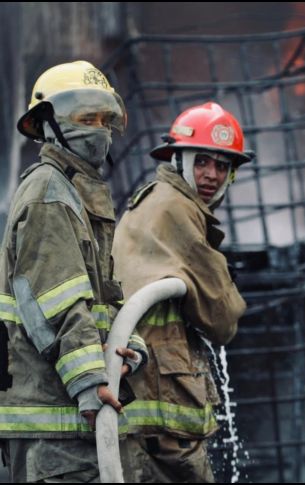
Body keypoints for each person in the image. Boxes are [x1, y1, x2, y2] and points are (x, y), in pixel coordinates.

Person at [0, 60, 147, 482]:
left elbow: (103, 298)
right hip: (54, 421)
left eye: (105, 119)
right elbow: (53, 300)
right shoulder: (49, 194)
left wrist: (128, 348)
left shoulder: (74, 191)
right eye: (86, 118)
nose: (99, 129)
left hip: (68, 420)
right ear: (47, 123)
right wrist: (87, 379)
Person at [113, 102, 249, 482]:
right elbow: (223, 323)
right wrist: (221, 279)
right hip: (158, 404)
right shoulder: (176, 208)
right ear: (179, 160)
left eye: (222, 166)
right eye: (202, 161)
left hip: (144, 396)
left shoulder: (158, 200)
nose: (211, 175)